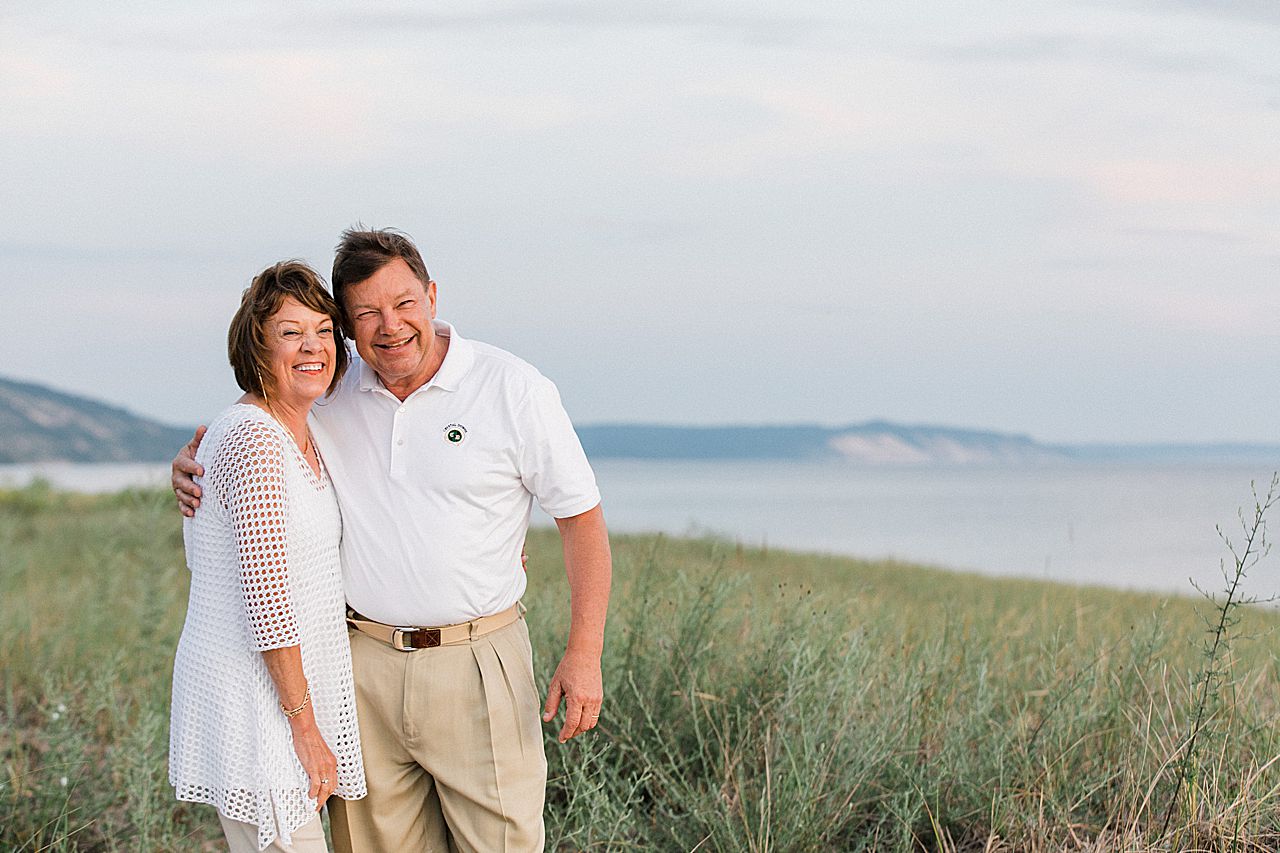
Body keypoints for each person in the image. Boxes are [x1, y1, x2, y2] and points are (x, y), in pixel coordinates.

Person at [173, 228, 612, 852]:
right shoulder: (331, 390)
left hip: (477, 662)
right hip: (359, 668)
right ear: (349, 326)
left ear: (432, 295)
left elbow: (582, 521)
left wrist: (584, 652)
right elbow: (256, 433)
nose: (391, 326)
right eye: (365, 314)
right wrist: (193, 465)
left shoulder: (511, 388)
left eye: (404, 303)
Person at [169, 261, 366, 852]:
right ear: (256, 347)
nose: (313, 347)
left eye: (324, 330)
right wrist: (304, 727)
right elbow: (267, 597)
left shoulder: (301, 429)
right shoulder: (254, 436)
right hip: (259, 702)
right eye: (290, 333)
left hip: (280, 692)